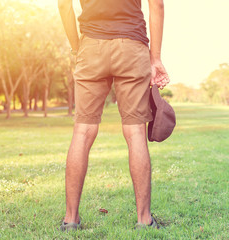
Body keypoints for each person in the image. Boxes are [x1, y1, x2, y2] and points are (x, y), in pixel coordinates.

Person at [58, 0, 169, 231]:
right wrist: (155, 58)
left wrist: (77, 47)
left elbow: (63, 5)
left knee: (82, 130)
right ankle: (144, 220)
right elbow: (156, 4)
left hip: (91, 46)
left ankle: (70, 220)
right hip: (131, 45)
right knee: (135, 131)